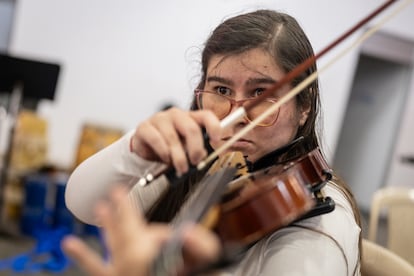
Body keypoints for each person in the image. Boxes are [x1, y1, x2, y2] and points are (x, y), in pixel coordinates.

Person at [65, 9, 362, 275]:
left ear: (304, 106)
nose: (236, 113)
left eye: (260, 93)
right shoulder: (211, 163)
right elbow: (84, 206)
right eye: (221, 89)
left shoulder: (319, 222)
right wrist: (134, 151)